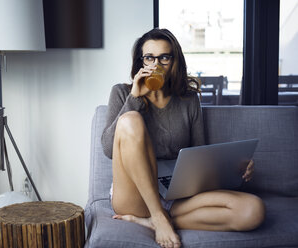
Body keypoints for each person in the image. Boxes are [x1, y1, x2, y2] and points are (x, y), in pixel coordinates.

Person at [101, 28, 265, 248]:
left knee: (253, 210)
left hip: (175, 193)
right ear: (141, 62)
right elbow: (108, 149)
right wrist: (135, 99)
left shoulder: (188, 100)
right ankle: (157, 216)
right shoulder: (122, 93)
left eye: (164, 58)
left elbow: (200, 156)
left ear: (174, 61)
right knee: (130, 120)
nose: (156, 64)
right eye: (149, 57)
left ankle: (151, 221)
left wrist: (236, 170)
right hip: (136, 194)